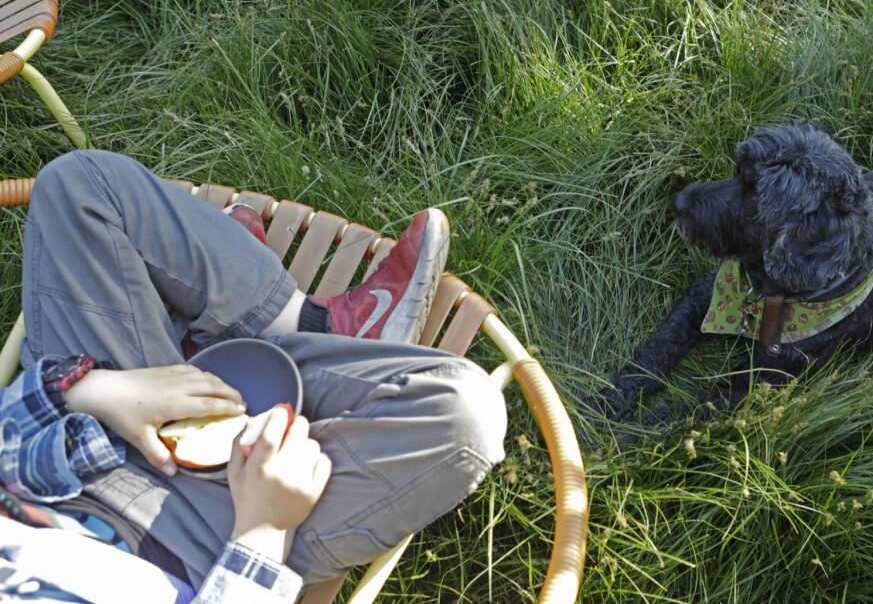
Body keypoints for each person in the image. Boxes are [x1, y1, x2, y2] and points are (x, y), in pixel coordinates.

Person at [0, 150, 507, 601]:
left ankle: (309, 325)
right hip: (198, 546)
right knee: (463, 413)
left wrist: (89, 390)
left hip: (65, 445)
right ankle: (226, 334)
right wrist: (263, 534)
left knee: (80, 184)